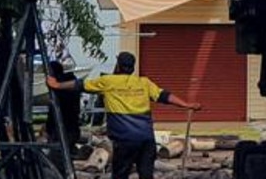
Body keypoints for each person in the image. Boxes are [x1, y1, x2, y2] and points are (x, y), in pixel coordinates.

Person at [48, 51, 201, 179]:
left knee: (120, 175)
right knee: (146, 176)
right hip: (146, 141)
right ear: (132, 68)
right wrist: (187, 105)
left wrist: (56, 85)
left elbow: (79, 85)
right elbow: (164, 96)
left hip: (125, 141)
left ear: (118, 66)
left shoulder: (108, 81)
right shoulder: (144, 82)